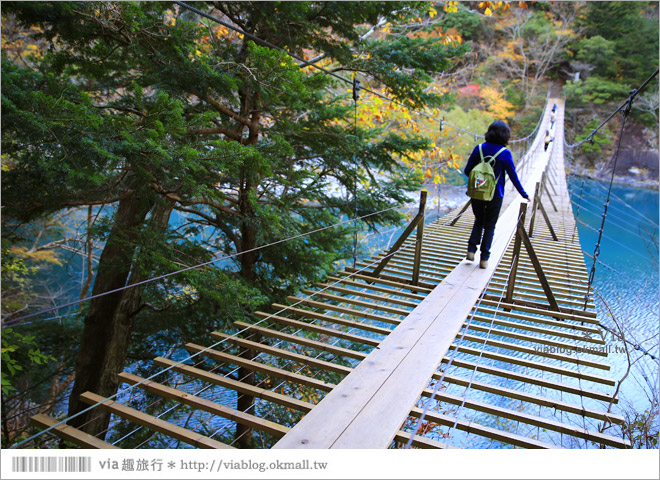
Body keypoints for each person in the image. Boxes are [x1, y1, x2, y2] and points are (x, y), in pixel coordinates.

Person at [463, 121, 529, 269]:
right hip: (495, 195)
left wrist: (480, 178)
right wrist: (524, 194)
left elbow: (468, 171)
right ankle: (484, 259)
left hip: (476, 192)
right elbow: (513, 177)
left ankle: (471, 250)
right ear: (505, 136)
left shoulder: (478, 148)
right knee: (490, 226)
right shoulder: (505, 153)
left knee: (479, 220)